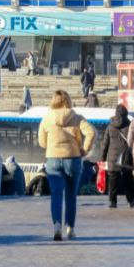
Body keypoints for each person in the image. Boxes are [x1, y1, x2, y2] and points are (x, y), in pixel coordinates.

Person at [36, 90, 96, 241]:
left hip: (53, 160)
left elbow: (42, 143)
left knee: (56, 195)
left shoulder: (47, 118)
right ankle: (70, 229)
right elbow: (91, 133)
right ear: (68, 100)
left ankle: (57, 226)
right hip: (73, 159)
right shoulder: (76, 117)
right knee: (70, 196)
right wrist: (85, 149)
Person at [97, 104, 134, 209]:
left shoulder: (110, 126)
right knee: (128, 179)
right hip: (126, 157)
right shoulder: (130, 125)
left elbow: (105, 143)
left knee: (113, 180)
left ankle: (112, 202)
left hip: (113, 158)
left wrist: (102, 158)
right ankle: (131, 200)